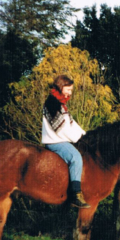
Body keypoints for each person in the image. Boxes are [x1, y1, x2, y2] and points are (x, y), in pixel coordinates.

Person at [41, 75, 90, 209]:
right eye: (68, 89)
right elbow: (61, 128)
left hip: (61, 138)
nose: (70, 92)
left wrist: (85, 135)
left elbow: (71, 123)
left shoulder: (61, 104)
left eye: (71, 90)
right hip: (55, 141)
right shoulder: (53, 104)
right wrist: (78, 139)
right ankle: (75, 194)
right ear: (61, 87)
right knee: (75, 157)